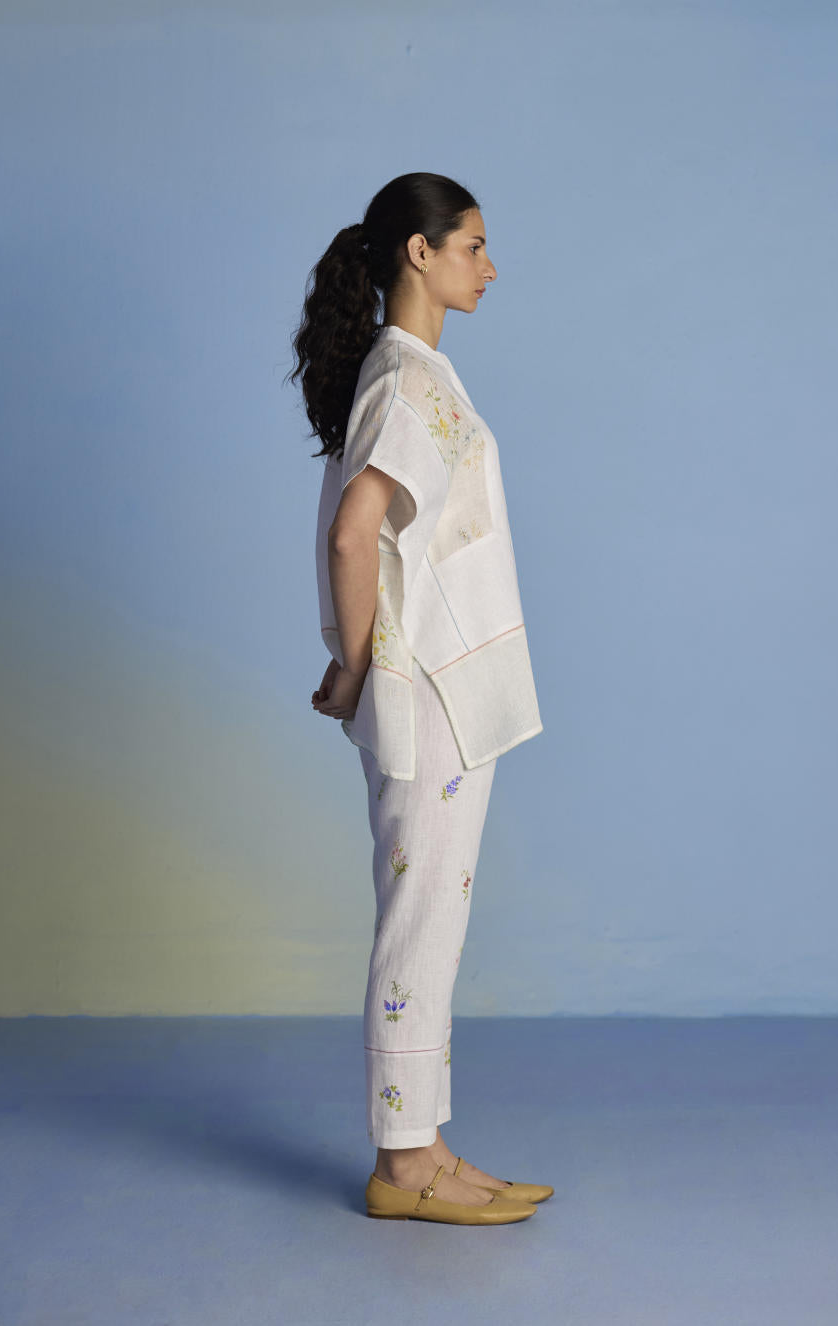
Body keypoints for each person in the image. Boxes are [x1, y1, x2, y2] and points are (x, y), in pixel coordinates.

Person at [289, 172, 552, 1224]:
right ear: (420, 252)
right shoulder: (404, 378)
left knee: (434, 918)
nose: (489, 267)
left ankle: (426, 1146)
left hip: (441, 687)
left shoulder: (414, 373)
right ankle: (403, 1167)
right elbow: (355, 532)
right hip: (426, 690)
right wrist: (356, 668)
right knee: (420, 920)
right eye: (473, 246)